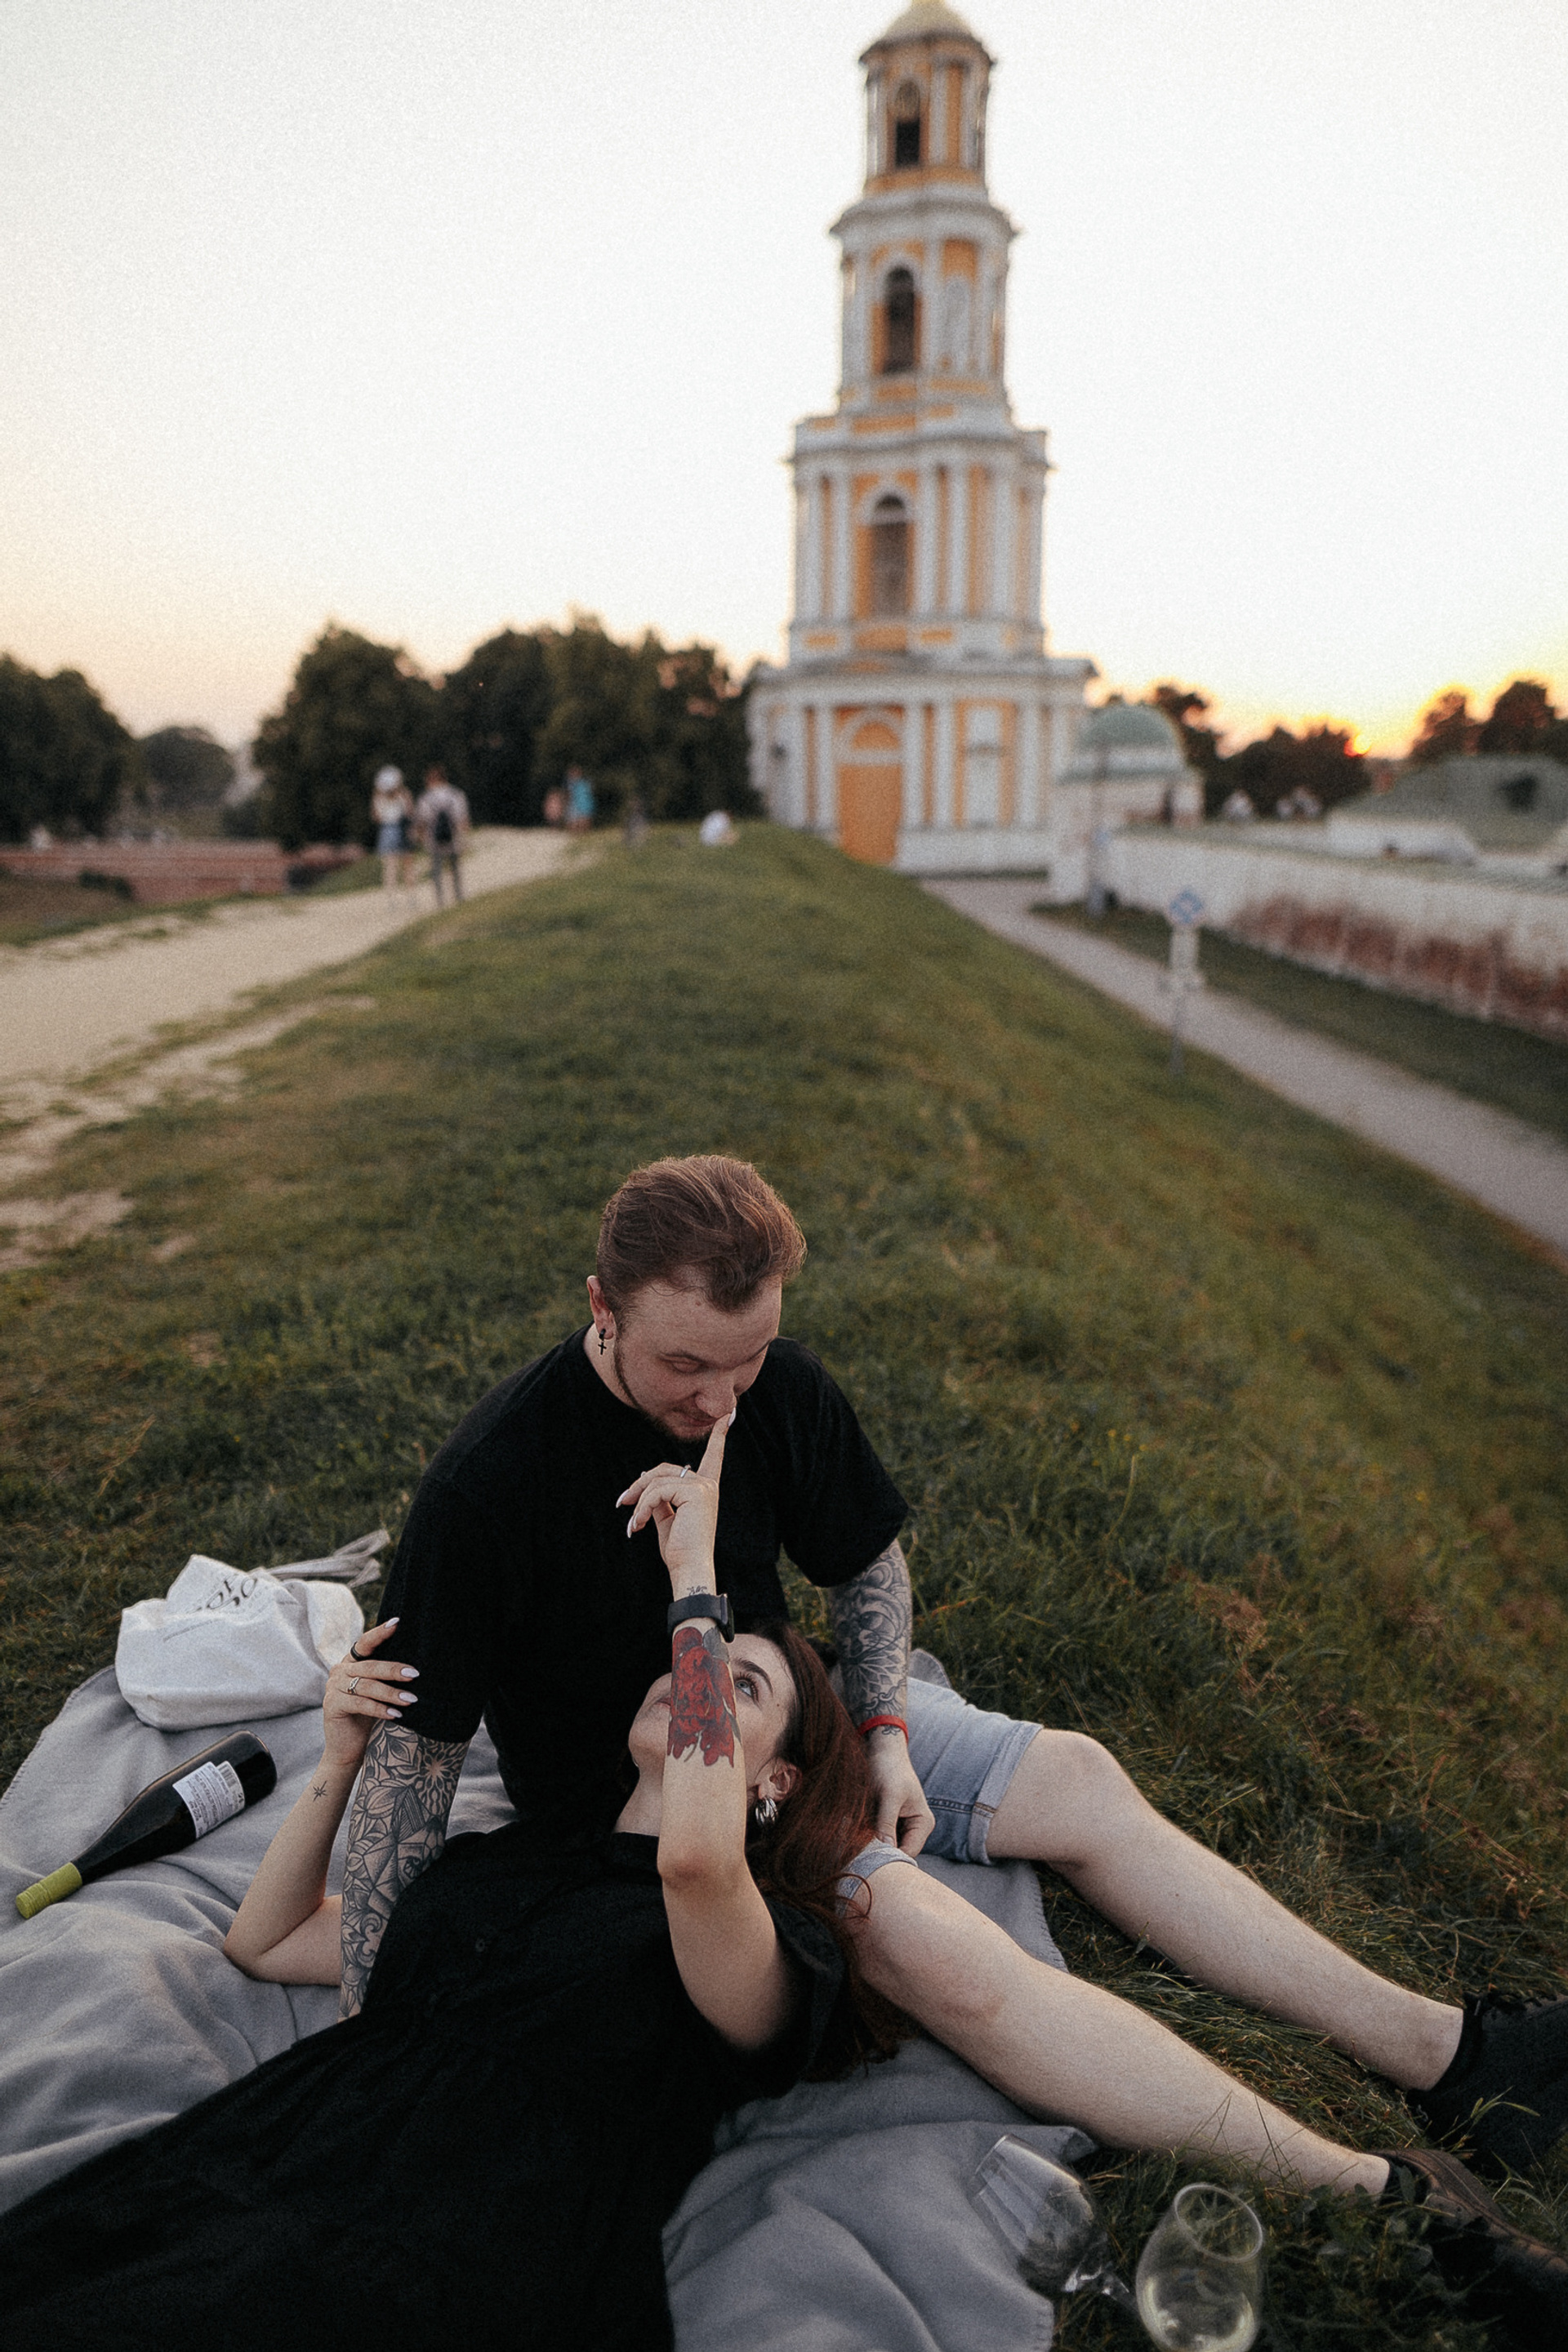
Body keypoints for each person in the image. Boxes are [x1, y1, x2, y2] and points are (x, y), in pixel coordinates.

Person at [343, 1159, 1568, 2244]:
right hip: (667, 1805)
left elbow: (867, 1564)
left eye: (749, 1357)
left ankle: (1453, 2049)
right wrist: (366, 2038)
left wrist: (883, 1734)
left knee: (1079, 1776)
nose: (721, 1401)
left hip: (793, 1705)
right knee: (943, 1956)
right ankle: (1388, 2201)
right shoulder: (490, 1486)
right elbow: (417, 1766)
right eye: (685, 1365)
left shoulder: (771, 1391)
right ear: (599, 1308)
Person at [0, 1422, 889, 2350]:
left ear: (774, 1782)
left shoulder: (775, 1941)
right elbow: (267, 1940)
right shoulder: (506, 1863)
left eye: (736, 1683)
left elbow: (695, 1860)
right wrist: (342, 1754)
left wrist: (696, 1584)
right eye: (689, 1656)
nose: (690, 1668)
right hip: (259, 2158)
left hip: (460, 2250)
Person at [416, 764, 470, 905]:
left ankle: (440, 901)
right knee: (455, 868)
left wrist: (421, 838)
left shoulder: (426, 798)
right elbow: (462, 819)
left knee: (437, 870)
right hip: (453, 836)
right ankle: (459, 896)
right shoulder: (456, 794)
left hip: (434, 837)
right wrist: (464, 838)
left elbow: (423, 820)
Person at [369, 763, 413, 893]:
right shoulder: (403, 794)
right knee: (406, 864)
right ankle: (411, 895)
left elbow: (376, 817)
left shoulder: (378, 798)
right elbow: (410, 812)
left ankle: (392, 898)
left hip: (387, 829)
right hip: (401, 827)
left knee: (390, 866)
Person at [564, 764, 595, 833]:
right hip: (575, 806)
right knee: (574, 824)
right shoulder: (571, 784)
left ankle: (581, 836)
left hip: (583, 806)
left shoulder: (584, 784)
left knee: (583, 823)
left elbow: (588, 796)